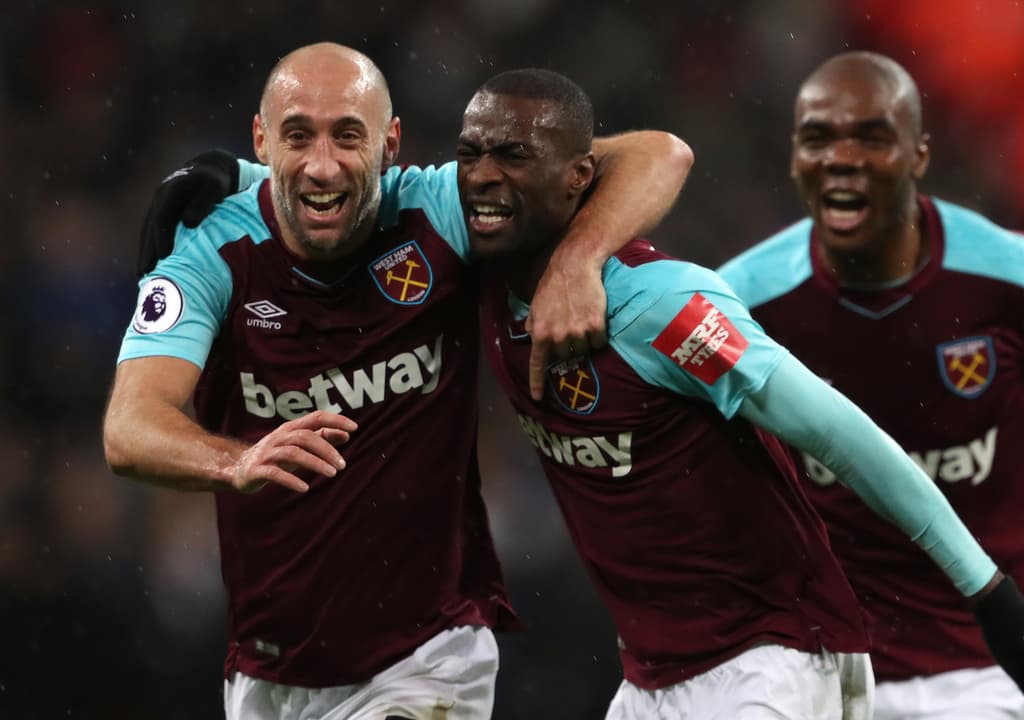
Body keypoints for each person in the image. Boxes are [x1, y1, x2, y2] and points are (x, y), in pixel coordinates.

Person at [456, 68, 1024, 720]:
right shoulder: (483, 267)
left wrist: (991, 597)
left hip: (775, 657)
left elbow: (843, 437)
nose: (482, 175)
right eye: (469, 154)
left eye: (513, 155)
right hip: (650, 677)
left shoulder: (659, 304)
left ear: (579, 175)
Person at [103, 42, 693, 720]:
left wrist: (577, 262)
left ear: (390, 145)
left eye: (347, 136)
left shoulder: (438, 211)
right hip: (267, 673)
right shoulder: (212, 254)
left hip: (427, 656)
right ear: (262, 140)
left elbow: (658, 154)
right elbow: (129, 428)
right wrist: (235, 460)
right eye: (298, 135)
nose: (322, 164)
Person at [717, 51, 1024, 719]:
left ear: (919, 155)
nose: (841, 158)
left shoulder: (1017, 283)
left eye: (872, 137)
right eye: (817, 138)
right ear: (793, 155)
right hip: (839, 674)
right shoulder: (739, 302)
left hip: (1002, 669)